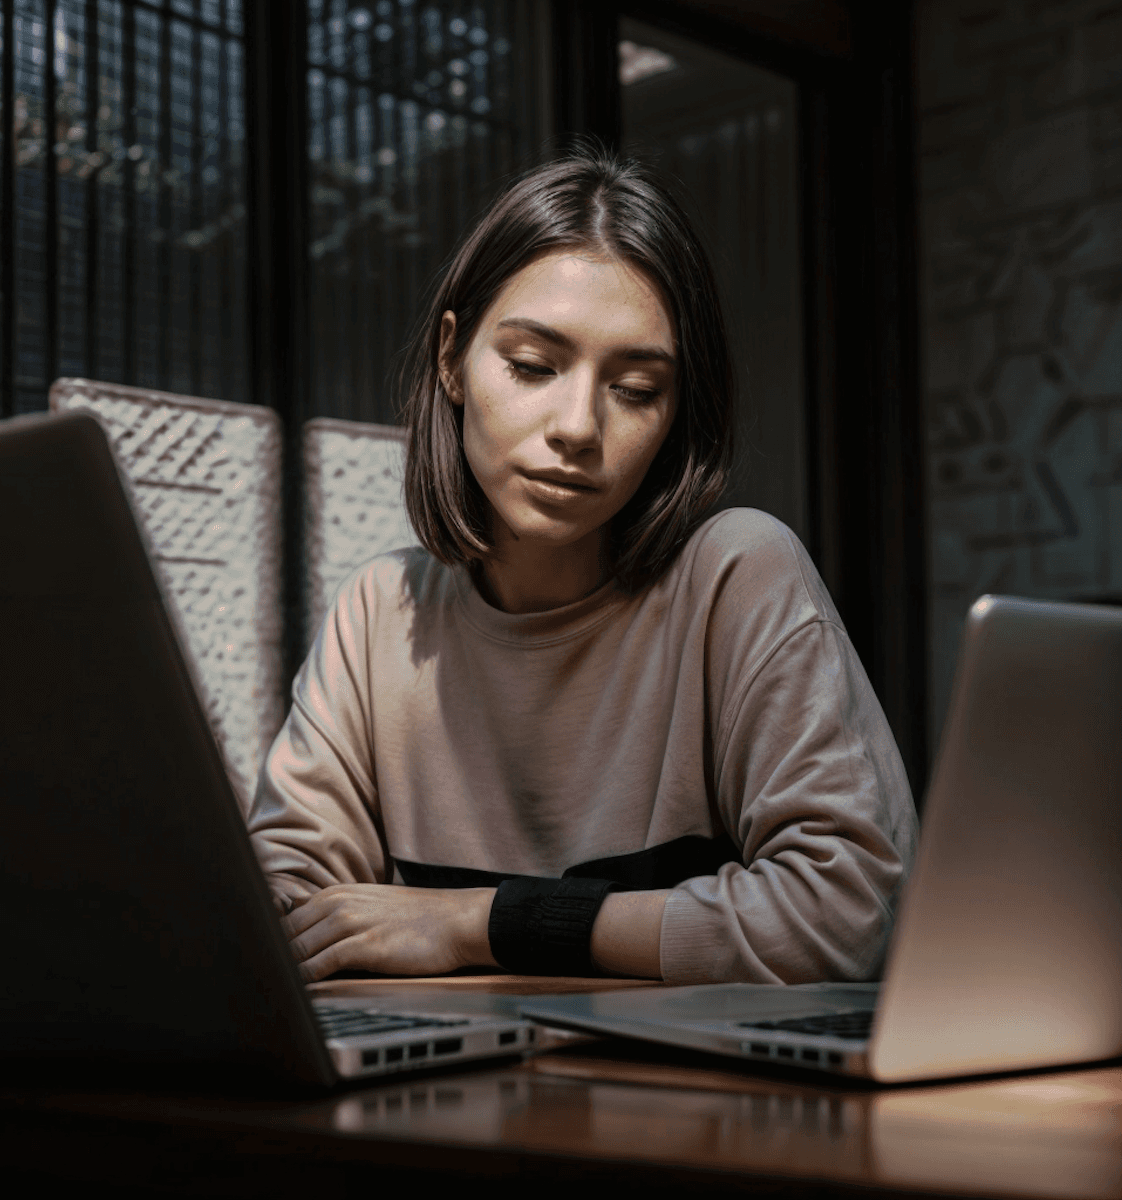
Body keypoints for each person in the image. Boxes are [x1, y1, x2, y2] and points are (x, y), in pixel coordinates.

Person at [247, 147, 918, 985]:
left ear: (676, 416)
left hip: (694, 1105)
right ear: (452, 360)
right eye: (532, 366)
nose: (578, 427)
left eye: (636, 388)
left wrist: (482, 921)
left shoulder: (735, 575)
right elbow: (278, 915)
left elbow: (845, 917)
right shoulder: (382, 613)